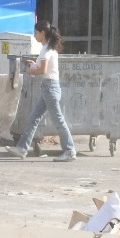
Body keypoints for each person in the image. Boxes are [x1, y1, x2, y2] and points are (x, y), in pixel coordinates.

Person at [7, 21, 77, 162]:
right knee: (33, 118)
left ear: (42, 33)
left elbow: (43, 70)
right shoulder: (48, 49)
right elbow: (44, 67)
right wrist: (33, 64)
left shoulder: (46, 50)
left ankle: (70, 150)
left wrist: (29, 71)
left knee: (58, 121)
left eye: (36, 33)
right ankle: (22, 148)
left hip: (50, 88)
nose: (35, 35)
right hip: (49, 88)